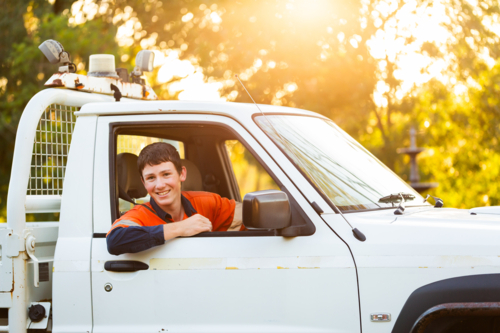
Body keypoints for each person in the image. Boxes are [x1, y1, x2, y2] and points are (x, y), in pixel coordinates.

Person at [106, 142, 243, 255]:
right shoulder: (140, 215)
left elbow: (253, 216)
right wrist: (181, 228)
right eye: (151, 178)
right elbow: (114, 240)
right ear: (143, 182)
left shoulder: (208, 202)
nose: (159, 185)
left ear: (182, 174)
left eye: (166, 174)